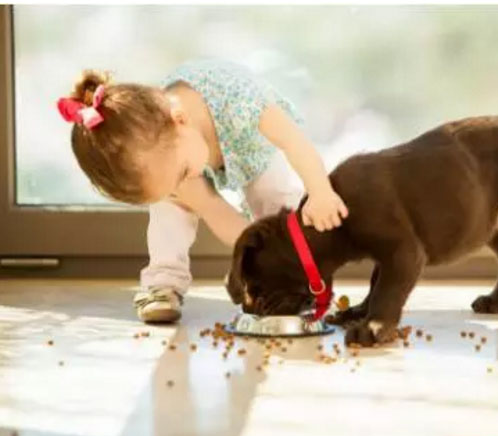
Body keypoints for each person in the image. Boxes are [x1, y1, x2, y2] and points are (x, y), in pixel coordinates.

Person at [58, 59, 348, 323]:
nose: (180, 185)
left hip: (252, 145)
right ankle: (162, 283)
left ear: (180, 120)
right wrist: (200, 200)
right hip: (188, 150)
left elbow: (294, 142)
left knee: (275, 201)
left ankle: (293, 281)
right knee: (170, 209)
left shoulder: (242, 101)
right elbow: (224, 218)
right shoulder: (166, 149)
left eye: (181, 175)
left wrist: (320, 190)